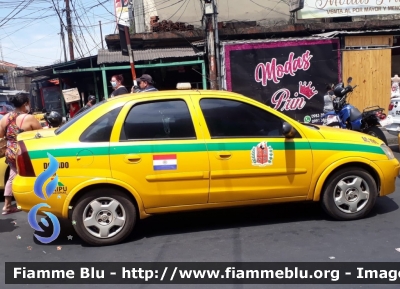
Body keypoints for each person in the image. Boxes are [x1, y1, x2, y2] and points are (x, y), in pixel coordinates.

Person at [0, 93, 42, 215]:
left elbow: (1, 136)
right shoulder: (29, 118)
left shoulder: (5, 118)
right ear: (25, 104)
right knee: (36, 175)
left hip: (11, 152)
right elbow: (41, 135)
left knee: (12, 177)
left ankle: (7, 206)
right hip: (26, 152)